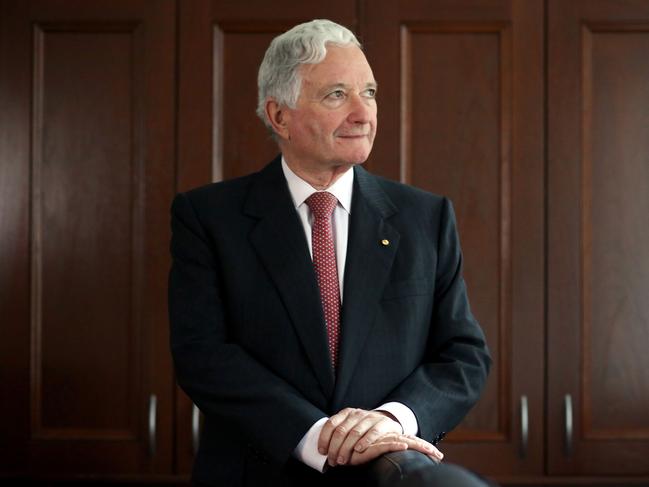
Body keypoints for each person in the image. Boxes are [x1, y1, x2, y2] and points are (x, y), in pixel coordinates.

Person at [169, 19, 492, 487]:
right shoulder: (208, 217)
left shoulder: (426, 217)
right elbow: (203, 355)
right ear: (279, 116)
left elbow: (463, 355)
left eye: (371, 92)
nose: (364, 113)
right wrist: (321, 437)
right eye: (337, 95)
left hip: (393, 473)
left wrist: (392, 421)